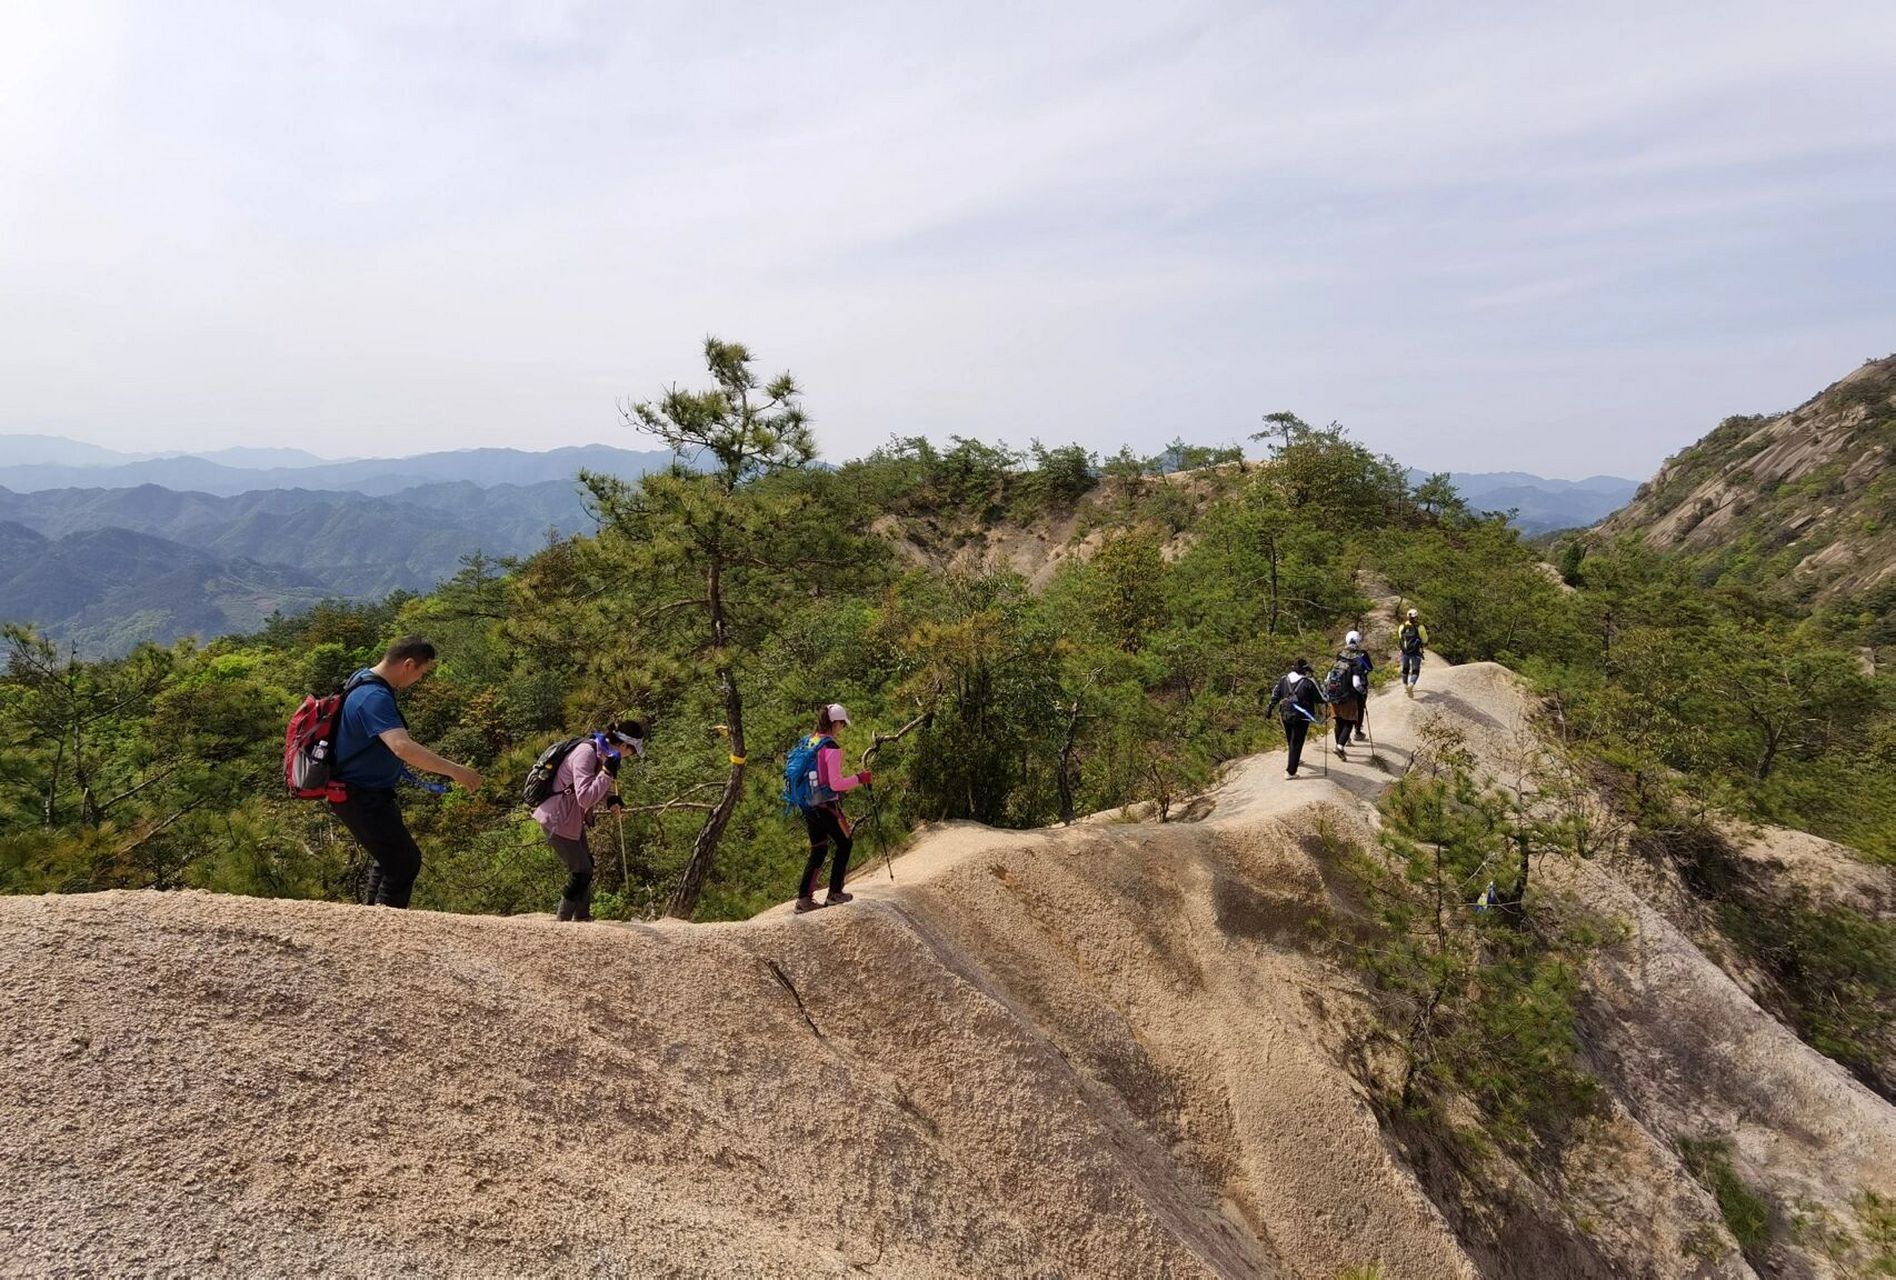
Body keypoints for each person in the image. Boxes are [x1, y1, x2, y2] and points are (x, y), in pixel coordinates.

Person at [329, 636, 481, 908]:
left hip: (363, 793)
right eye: (422, 672)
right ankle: (386, 932)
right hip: (361, 795)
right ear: (409, 664)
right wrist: (455, 770)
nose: (420, 679)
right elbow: (401, 747)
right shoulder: (373, 696)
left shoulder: (362, 680)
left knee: (390, 860)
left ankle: (373, 921)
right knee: (404, 863)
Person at [531, 721, 645, 921]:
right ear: (625, 746)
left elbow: (592, 787)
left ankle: (582, 917)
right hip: (557, 819)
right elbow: (585, 797)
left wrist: (610, 799)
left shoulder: (601, 753)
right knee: (582, 871)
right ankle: (562, 921)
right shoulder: (586, 753)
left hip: (571, 819)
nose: (630, 757)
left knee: (586, 866)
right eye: (633, 752)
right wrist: (607, 773)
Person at [790, 703, 872, 914]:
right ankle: (835, 893)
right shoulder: (831, 748)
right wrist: (859, 779)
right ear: (835, 722)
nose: (842, 729)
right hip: (826, 805)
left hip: (807, 804)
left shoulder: (809, 741)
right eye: (842, 725)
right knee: (845, 843)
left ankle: (804, 900)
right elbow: (835, 784)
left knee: (819, 847)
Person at [1266, 658, 1322, 778]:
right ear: (1303, 670)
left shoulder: (1283, 680)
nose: (1307, 673)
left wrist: (1270, 708)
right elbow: (1320, 698)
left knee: (1291, 738)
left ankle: (1295, 759)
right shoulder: (1308, 682)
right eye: (1306, 671)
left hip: (1285, 714)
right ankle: (1290, 772)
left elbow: (1275, 694)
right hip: (1301, 716)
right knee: (1297, 741)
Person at [1329, 630, 1373, 761]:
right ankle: (1341, 746)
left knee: (1339, 720)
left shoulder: (1340, 654)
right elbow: (1359, 679)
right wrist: (1362, 691)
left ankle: (1339, 744)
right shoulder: (1360, 656)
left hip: (1335, 692)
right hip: (1350, 693)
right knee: (1350, 720)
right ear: (1358, 641)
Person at [1398, 608, 1429, 697]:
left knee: (1405, 669)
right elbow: (1425, 640)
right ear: (1417, 617)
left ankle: (1405, 685)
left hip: (1405, 652)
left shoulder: (1402, 626)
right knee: (1415, 670)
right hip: (1416, 652)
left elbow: (1400, 638)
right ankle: (1411, 685)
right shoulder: (1420, 627)